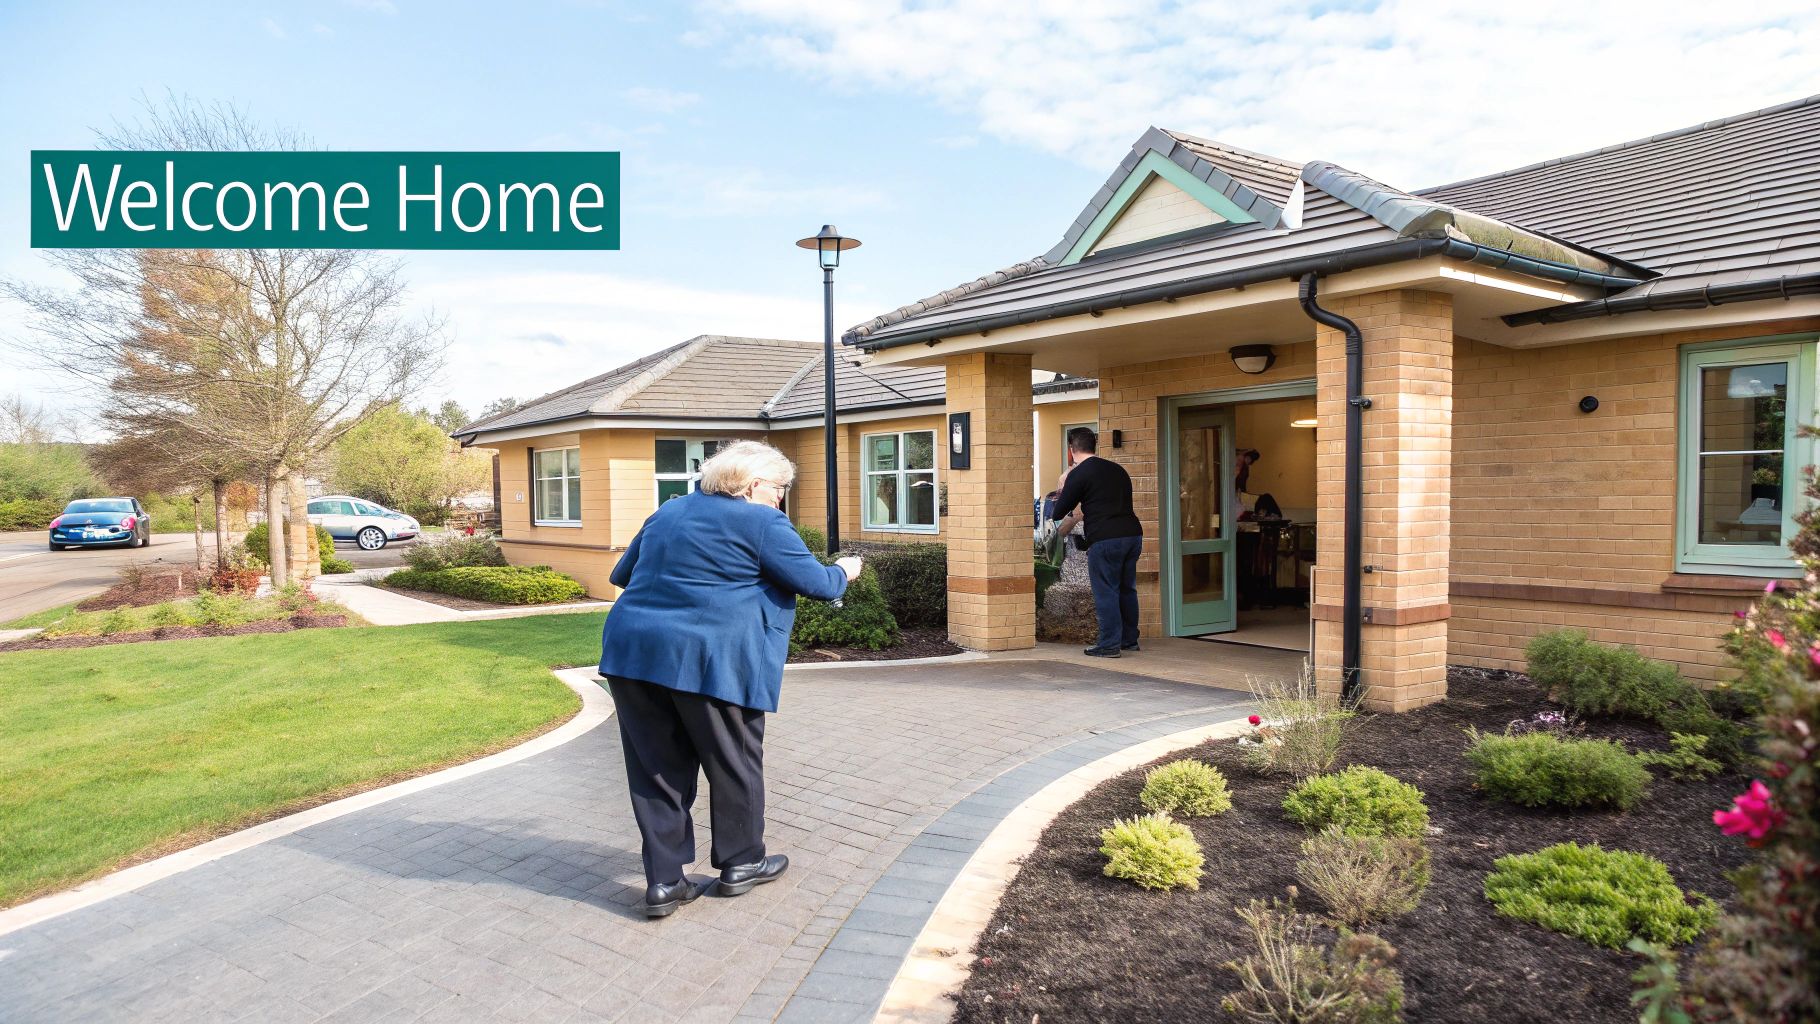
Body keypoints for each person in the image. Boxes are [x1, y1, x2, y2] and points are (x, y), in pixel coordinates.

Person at [599, 440, 861, 918]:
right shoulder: (762, 521)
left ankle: (664, 882)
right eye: (780, 488)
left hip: (633, 653)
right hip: (711, 660)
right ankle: (742, 863)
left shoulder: (668, 512)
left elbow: (622, 574)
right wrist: (845, 569)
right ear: (754, 484)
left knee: (655, 767)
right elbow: (819, 585)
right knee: (733, 760)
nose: (782, 498)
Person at [1051, 427, 1143, 657]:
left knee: (1106, 591)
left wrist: (1067, 489)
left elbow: (1058, 511)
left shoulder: (1080, 473)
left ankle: (1109, 644)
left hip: (1105, 538)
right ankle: (1129, 640)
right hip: (1132, 535)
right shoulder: (1117, 469)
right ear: (1095, 446)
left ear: (1071, 450)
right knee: (1126, 589)